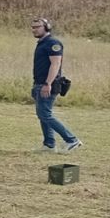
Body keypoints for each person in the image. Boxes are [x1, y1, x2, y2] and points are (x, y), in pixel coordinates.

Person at [30, 17, 82, 152]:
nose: (34, 29)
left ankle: (71, 140)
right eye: (33, 27)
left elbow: (55, 64)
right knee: (43, 115)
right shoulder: (42, 43)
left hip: (48, 84)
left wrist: (48, 83)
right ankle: (49, 144)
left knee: (45, 114)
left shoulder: (53, 43)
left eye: (37, 27)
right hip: (40, 83)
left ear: (46, 27)